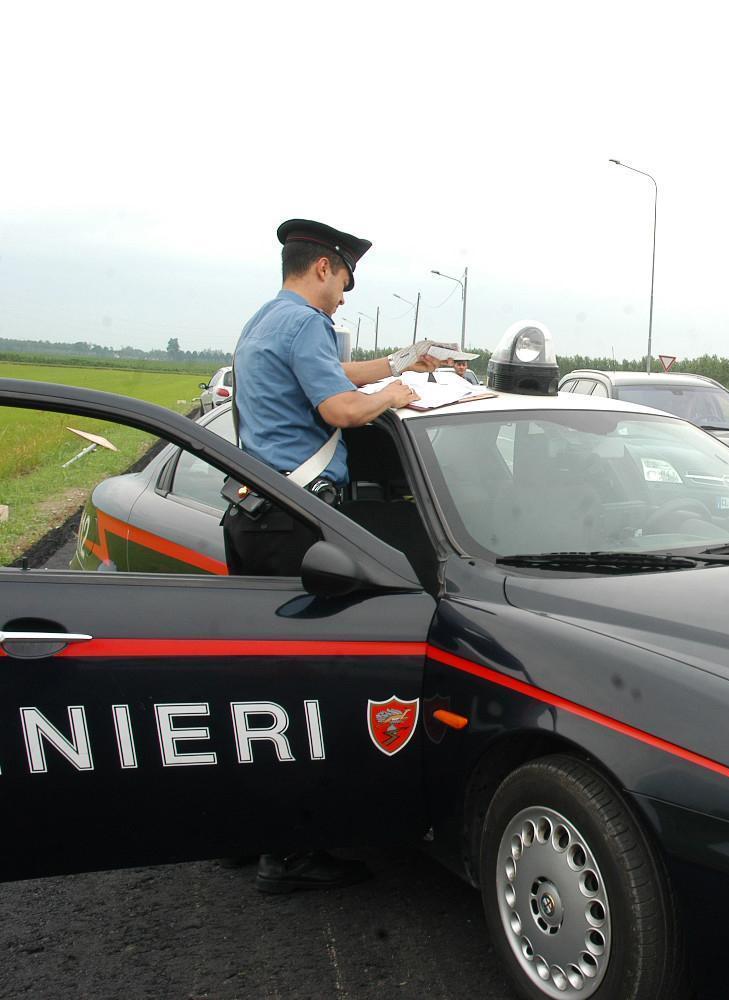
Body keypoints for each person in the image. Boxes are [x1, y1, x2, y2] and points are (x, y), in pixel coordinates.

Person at [225, 218, 437, 893]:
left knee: (259, 690)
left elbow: (337, 372)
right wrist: (393, 397)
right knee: (298, 695)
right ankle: (287, 858)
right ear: (323, 268)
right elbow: (341, 404)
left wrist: (402, 361)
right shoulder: (306, 324)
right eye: (346, 279)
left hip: (256, 518)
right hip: (296, 526)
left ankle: (244, 833)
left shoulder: (267, 321)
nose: (346, 294)